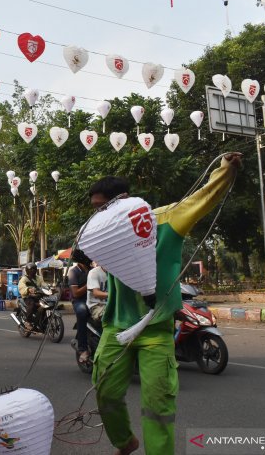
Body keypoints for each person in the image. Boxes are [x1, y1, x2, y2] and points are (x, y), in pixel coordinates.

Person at [89, 153, 242, 455]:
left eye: (101, 207)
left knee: (158, 405)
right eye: (94, 210)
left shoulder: (165, 220)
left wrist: (225, 169)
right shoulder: (104, 233)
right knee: (104, 392)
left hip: (155, 331)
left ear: (122, 201)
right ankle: (125, 441)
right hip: (115, 327)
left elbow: (204, 197)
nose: (97, 215)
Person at [68, 249, 93, 362]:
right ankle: (82, 348)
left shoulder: (93, 269)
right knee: (82, 312)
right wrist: (89, 285)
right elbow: (76, 293)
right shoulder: (74, 272)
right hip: (80, 300)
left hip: (94, 298)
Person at [18, 263, 47, 329]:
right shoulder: (24, 279)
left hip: (38, 296)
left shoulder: (39, 278)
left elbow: (44, 285)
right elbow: (21, 287)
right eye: (32, 269)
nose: (33, 270)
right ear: (27, 270)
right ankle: (28, 321)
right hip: (28, 297)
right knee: (31, 304)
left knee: (46, 304)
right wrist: (28, 289)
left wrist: (50, 289)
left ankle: (42, 320)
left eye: (35, 269)